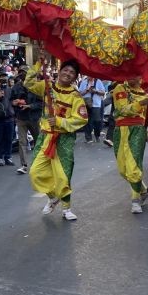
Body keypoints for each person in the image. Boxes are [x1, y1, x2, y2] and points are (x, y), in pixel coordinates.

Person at [26, 59, 88, 221]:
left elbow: (81, 119)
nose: (68, 74)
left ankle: (66, 209)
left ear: (75, 77)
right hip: (45, 136)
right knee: (35, 172)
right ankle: (53, 197)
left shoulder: (76, 96)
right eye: (65, 70)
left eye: (72, 72)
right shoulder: (47, 87)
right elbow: (28, 83)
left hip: (64, 139)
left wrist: (60, 122)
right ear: (59, 71)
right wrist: (39, 64)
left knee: (63, 176)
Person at [110, 79, 148, 214]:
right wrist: (140, 104)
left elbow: (144, 115)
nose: (132, 77)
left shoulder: (144, 93)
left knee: (133, 167)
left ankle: (135, 201)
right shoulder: (120, 88)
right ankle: (144, 191)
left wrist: (145, 131)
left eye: (136, 74)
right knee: (123, 170)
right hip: (120, 131)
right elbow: (122, 110)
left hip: (137, 132)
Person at [10, 70, 42, 174]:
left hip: (34, 118)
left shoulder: (37, 87)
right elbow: (11, 100)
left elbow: (41, 103)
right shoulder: (16, 87)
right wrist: (15, 103)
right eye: (22, 75)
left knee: (38, 141)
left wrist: (29, 106)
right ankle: (24, 165)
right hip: (21, 117)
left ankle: (39, 163)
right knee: (22, 142)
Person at [0, 84, 15, 166]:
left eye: (4, 78)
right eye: (0, 79)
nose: (2, 80)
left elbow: (13, 101)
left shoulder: (10, 89)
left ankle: (8, 157)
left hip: (9, 118)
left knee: (9, 139)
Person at [78, 75, 106, 143]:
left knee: (97, 121)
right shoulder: (84, 82)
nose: (89, 76)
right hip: (86, 104)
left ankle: (97, 135)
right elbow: (79, 94)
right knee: (86, 121)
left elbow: (103, 93)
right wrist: (86, 90)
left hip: (96, 104)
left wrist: (96, 91)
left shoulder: (98, 81)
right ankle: (88, 138)